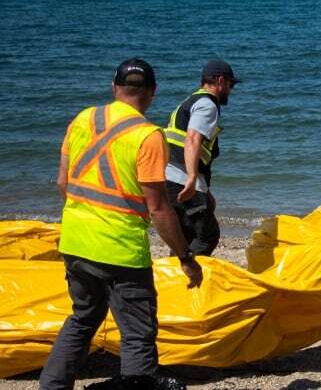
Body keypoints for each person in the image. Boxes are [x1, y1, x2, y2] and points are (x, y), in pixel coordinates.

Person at [40, 59, 204, 390]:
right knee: (137, 333)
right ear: (153, 93)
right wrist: (185, 257)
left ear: (115, 88)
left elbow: (62, 182)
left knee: (82, 319)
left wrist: (83, 219)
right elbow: (158, 208)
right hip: (121, 254)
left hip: (75, 243)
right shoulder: (148, 136)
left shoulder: (83, 119)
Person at [163, 60, 239, 256]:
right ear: (221, 81)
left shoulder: (190, 102)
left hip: (168, 178)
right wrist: (191, 178)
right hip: (181, 180)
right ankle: (185, 278)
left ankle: (173, 279)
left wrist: (205, 191)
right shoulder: (208, 105)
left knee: (185, 237)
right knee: (207, 236)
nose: (230, 90)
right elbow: (193, 138)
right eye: (231, 85)